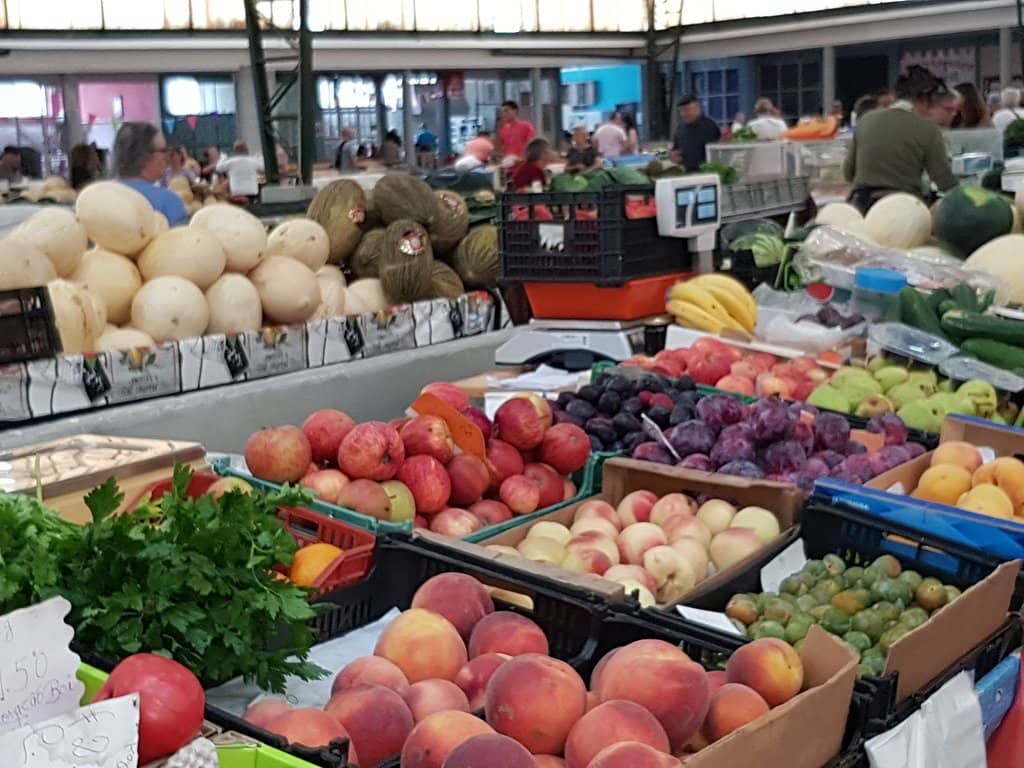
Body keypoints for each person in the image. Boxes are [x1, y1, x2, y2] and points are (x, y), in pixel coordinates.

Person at [842, 66, 958, 211]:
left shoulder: (866, 119)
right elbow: (944, 181)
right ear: (925, 99)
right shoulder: (927, 128)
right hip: (905, 209)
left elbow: (848, 173)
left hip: (862, 206)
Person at [113, 122, 188, 225]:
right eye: (163, 150)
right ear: (145, 157)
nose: (167, 157)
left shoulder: (97, 199)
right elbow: (185, 240)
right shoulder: (168, 201)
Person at [671, 95, 721, 172]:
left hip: (705, 175)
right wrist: (674, 156)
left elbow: (717, 155)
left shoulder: (710, 126)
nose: (683, 114)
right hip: (685, 174)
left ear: (697, 107)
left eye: (686, 110)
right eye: (681, 111)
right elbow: (675, 149)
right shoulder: (680, 128)